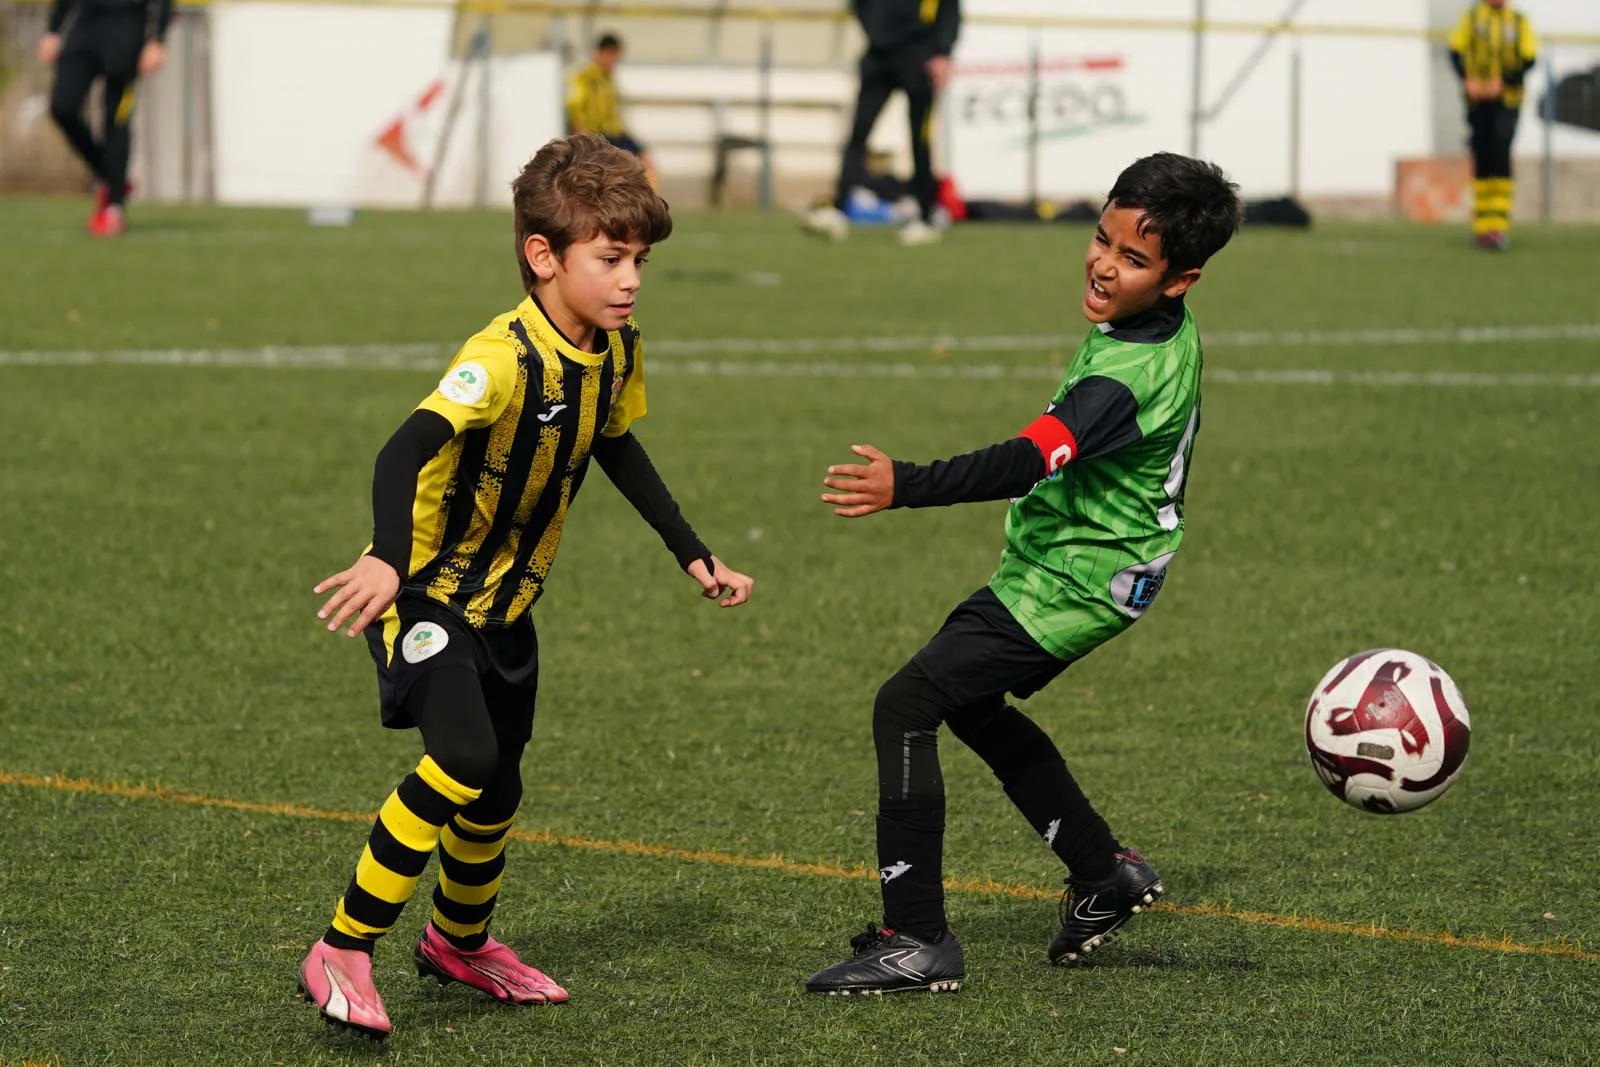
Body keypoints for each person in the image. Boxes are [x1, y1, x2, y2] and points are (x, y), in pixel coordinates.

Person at [297, 133, 754, 1039]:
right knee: (463, 759)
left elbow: (614, 445)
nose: (629, 280)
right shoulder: (500, 356)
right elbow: (405, 447)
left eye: (639, 261)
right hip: (426, 596)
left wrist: (691, 550)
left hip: (510, 607)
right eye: (610, 258)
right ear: (543, 256)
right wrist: (390, 555)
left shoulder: (615, 351)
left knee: (498, 789)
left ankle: (458, 941)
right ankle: (342, 946)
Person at [804, 153, 1241, 996]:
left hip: (1076, 580)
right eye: (1101, 238)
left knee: (907, 703)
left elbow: (1026, 460)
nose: (1104, 264)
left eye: (1133, 259)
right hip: (1085, 563)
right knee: (965, 701)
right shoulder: (1153, 328)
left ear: (1181, 279)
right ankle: (1099, 871)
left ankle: (916, 937)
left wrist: (909, 484)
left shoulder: (1124, 378)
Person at [803, 0, 960, 246]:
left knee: (920, 141)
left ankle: (926, 216)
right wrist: (876, 32)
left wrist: (942, 51)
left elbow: (949, 8)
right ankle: (840, 208)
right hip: (880, 56)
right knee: (858, 133)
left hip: (919, 56)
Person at [38, 0, 170, 237]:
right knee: (62, 107)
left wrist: (158, 39)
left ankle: (113, 208)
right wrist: (53, 29)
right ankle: (110, 176)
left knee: (116, 120)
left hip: (128, 28)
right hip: (86, 25)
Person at [1449, 0, 1538, 250]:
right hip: (1477, 101)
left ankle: (1498, 227)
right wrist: (1469, 81)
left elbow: (1529, 59)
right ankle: (1481, 227)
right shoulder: (1473, 18)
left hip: (1507, 101)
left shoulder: (1519, 22)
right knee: (1482, 158)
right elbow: (1455, 52)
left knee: (1500, 154)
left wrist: (1503, 82)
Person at [567, 33, 655, 183]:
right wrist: (581, 134)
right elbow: (575, 105)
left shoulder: (608, 77)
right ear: (602, 52)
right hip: (595, 133)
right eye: (612, 55)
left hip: (614, 132)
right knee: (599, 173)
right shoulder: (585, 77)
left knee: (644, 160)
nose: (614, 60)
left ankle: (647, 201)